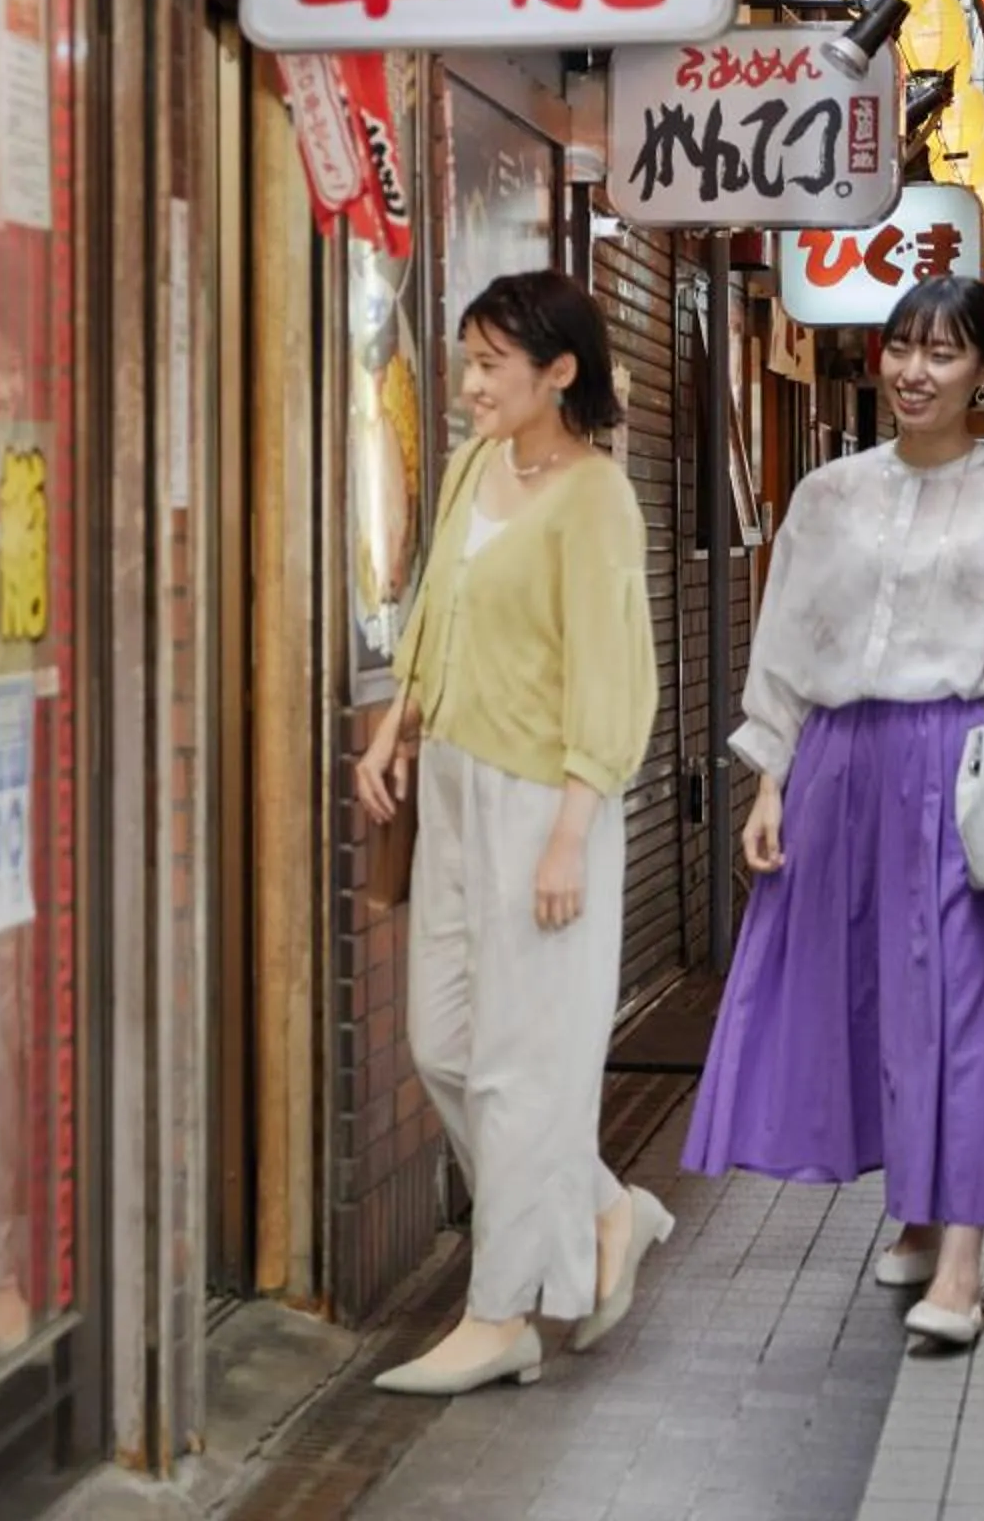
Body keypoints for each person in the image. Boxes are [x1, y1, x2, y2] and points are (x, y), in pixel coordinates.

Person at [683, 275, 984, 1351]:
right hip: (841, 762)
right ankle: (914, 1209)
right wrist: (769, 778)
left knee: (972, 1002)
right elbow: (788, 641)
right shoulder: (829, 495)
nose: (914, 371)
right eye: (901, 347)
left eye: (943, 352)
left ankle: (962, 1260)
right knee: (868, 996)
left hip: (965, 763)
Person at [357, 269, 664, 1394]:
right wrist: (396, 725)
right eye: (469, 360)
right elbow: (436, 611)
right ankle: (602, 1208)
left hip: (546, 796)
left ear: (559, 372)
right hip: (452, 783)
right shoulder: (472, 468)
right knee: (444, 1043)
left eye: (493, 364)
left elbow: (613, 671)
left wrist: (573, 827)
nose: (471, 383)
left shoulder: (597, 499)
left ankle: (501, 1318)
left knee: (520, 1068)